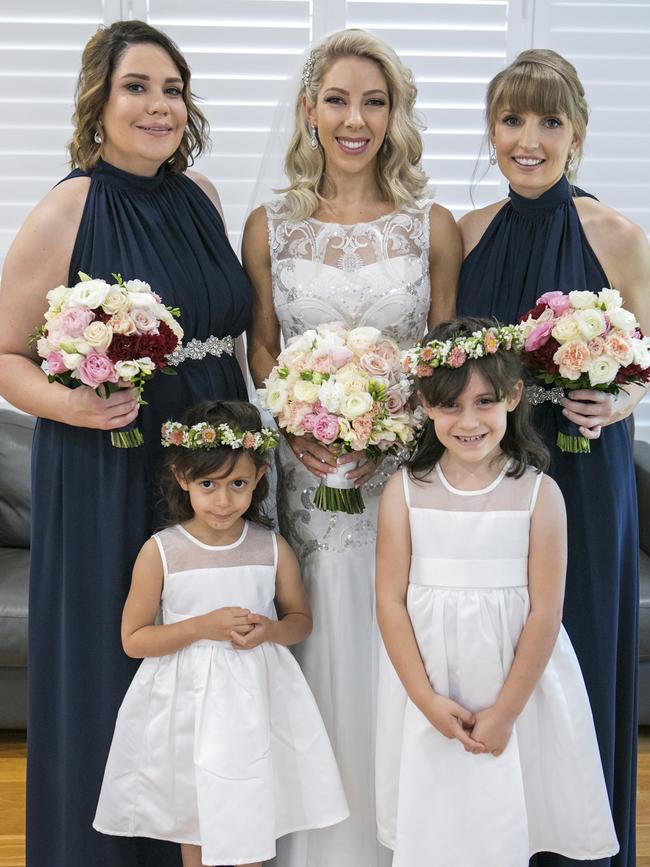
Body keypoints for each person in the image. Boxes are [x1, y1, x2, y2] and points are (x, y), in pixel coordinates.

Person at [0, 20, 252, 867]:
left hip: (216, 462)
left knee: (214, 668)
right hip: (108, 464)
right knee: (122, 659)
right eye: (136, 87)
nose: (157, 106)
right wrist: (71, 408)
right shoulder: (67, 207)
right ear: (98, 103)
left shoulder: (205, 199)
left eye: (172, 89)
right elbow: (6, 352)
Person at [243, 28, 461, 866]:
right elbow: (263, 346)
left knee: (399, 636)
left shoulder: (430, 225)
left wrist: (387, 427)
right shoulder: (271, 226)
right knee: (315, 634)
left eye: (374, 100)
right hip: (303, 482)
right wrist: (302, 424)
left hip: (399, 480)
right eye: (336, 99)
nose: (354, 118)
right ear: (309, 110)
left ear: (397, 112)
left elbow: (442, 355)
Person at [456, 50, 650, 867]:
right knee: (491, 661)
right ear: (492, 130)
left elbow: (647, 353)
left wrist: (623, 399)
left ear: (576, 133)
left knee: (577, 652)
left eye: (547, 121)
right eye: (511, 120)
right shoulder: (464, 236)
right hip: (487, 480)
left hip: (583, 475)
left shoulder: (615, 233)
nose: (527, 139)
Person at [375, 317, 618, 867]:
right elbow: (389, 603)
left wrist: (507, 711)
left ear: (512, 398)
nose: (468, 421)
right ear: (425, 403)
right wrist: (426, 701)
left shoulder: (539, 494)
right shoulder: (404, 493)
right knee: (437, 823)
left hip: (516, 689)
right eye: (450, 405)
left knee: (502, 817)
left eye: (484, 402)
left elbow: (544, 612)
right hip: (430, 687)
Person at [93, 400, 349, 867]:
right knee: (196, 814)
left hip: (256, 702)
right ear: (182, 476)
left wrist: (270, 630)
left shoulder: (270, 547)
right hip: (187, 704)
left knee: (251, 806)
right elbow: (134, 639)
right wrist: (199, 628)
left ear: (260, 476)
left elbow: (300, 621)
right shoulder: (162, 552)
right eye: (208, 484)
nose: (223, 500)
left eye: (238, 484)